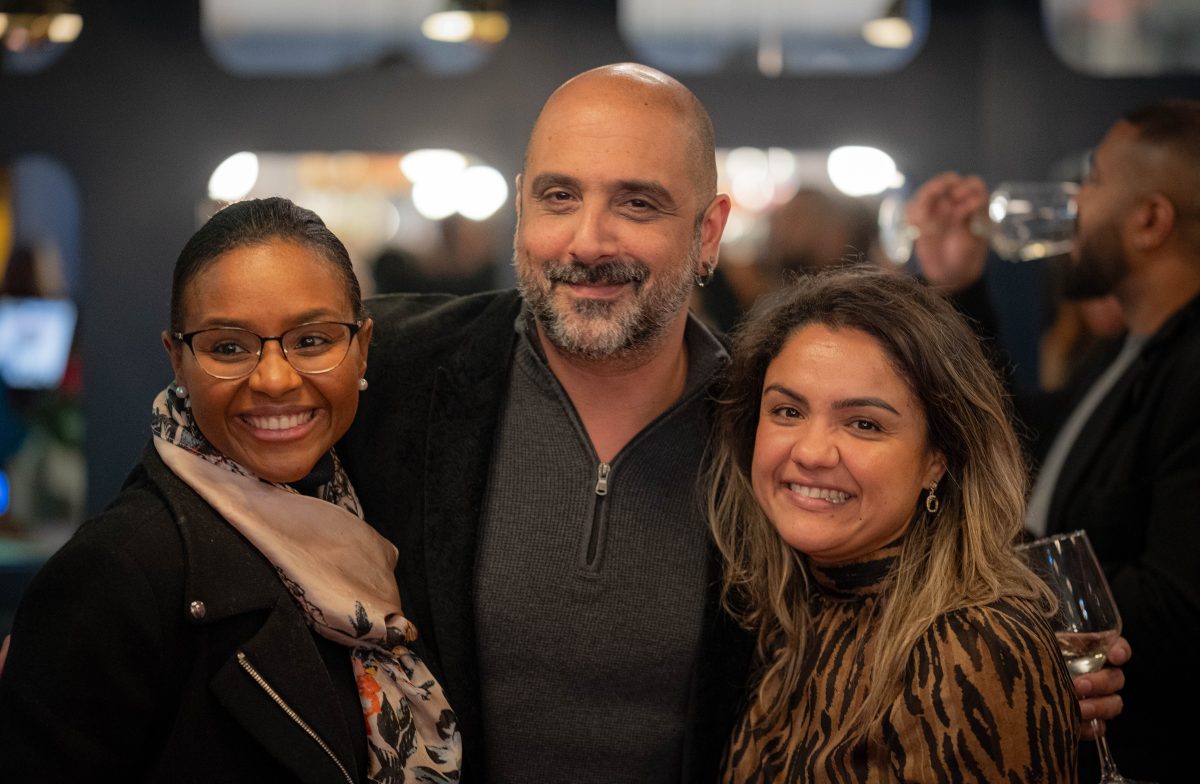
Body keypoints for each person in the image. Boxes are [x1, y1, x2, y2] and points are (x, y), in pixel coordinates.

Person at [337, 62, 1127, 783]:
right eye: (559, 196)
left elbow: (945, 546)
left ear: (708, 232)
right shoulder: (388, 366)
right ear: (522, 207)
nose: (588, 240)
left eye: (637, 202)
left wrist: (1034, 659)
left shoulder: (771, 423)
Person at [0, 197, 462, 783]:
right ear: (178, 360)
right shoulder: (114, 573)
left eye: (312, 340)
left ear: (362, 348)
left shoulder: (382, 512)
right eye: (228, 347)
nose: (274, 379)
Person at [905, 99, 1200, 782]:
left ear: (1150, 221)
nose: (1073, 203)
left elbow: (1176, 605)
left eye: (1092, 181)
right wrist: (955, 284)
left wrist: (984, 600)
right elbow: (1010, 432)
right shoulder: (1127, 349)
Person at [710, 266, 1080, 781]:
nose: (811, 452)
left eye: (864, 424)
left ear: (938, 459)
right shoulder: (783, 607)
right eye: (788, 411)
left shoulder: (971, 647)